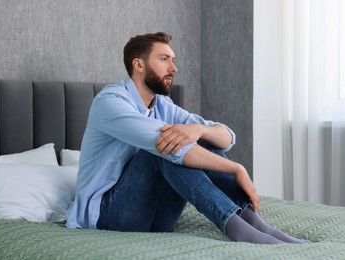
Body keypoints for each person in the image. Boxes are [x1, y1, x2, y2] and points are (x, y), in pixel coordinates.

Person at [66, 32, 310, 244]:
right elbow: (170, 149)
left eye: (173, 60)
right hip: (109, 216)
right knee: (166, 147)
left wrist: (200, 131)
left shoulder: (163, 105)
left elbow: (226, 137)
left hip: (157, 219)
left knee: (196, 138)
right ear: (139, 65)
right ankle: (237, 227)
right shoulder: (110, 103)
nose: (174, 67)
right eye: (164, 59)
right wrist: (236, 168)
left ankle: (255, 223)